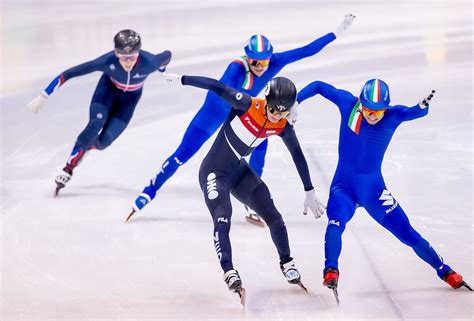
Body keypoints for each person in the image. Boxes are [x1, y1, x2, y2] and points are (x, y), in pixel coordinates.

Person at [129, 15, 356, 224]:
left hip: (238, 112)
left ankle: (250, 202)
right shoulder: (236, 69)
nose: (260, 67)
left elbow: (306, 50)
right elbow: (225, 91)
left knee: (262, 143)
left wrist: (335, 34)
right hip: (215, 111)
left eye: (264, 62)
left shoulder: (274, 62)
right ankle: (149, 191)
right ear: (248, 58)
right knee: (183, 154)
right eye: (255, 62)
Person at [296, 78, 472, 299]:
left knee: (408, 233)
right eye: (368, 109)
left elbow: (413, 112)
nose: (372, 115)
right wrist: (296, 101)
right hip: (344, 189)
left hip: (374, 192)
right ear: (361, 102)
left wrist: (422, 107)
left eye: (378, 112)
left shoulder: (392, 116)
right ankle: (331, 269)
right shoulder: (349, 105)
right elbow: (320, 86)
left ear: (386, 108)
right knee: (335, 224)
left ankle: (444, 270)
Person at [160, 73, 326, 303]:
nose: (276, 115)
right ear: (266, 100)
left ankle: (287, 262)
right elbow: (217, 87)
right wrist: (182, 79)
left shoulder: (283, 126)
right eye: (273, 110)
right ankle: (229, 271)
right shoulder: (247, 104)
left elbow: (297, 154)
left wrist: (309, 190)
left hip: (238, 173)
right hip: (214, 173)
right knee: (222, 218)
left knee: (273, 215)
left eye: (282, 112)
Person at [27, 29, 172, 196]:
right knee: (95, 124)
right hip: (107, 92)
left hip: (129, 101)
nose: (127, 62)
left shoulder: (150, 62)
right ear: (116, 53)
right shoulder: (107, 61)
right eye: (123, 57)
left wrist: (161, 68)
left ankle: (85, 148)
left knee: (103, 143)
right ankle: (68, 169)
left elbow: (167, 55)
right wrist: (43, 95)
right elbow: (69, 73)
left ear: (138, 53)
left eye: (132, 57)